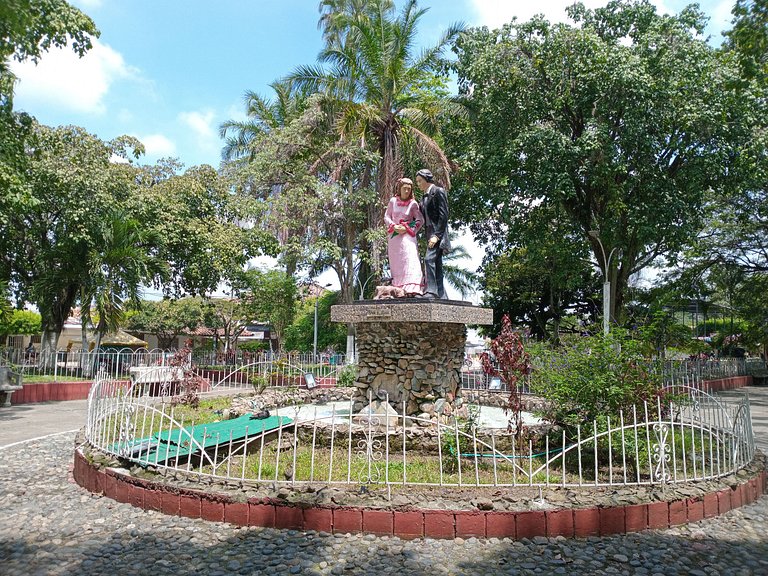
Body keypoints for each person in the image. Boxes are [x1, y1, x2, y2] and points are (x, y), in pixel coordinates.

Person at [384, 177, 424, 295]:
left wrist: (407, 228)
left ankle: (413, 288)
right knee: (397, 261)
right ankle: (397, 287)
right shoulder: (392, 201)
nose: (406, 191)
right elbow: (386, 216)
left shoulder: (413, 204)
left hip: (408, 237)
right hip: (394, 237)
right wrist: (393, 226)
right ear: (399, 189)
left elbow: (419, 220)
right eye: (404, 188)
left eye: (409, 189)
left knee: (410, 259)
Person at [415, 168, 449, 299]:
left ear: (426, 179)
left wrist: (437, 235)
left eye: (419, 181)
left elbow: (444, 215)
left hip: (437, 234)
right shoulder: (424, 197)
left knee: (429, 260)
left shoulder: (438, 192)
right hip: (429, 233)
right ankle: (441, 295)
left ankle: (431, 291)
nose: (418, 184)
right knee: (437, 264)